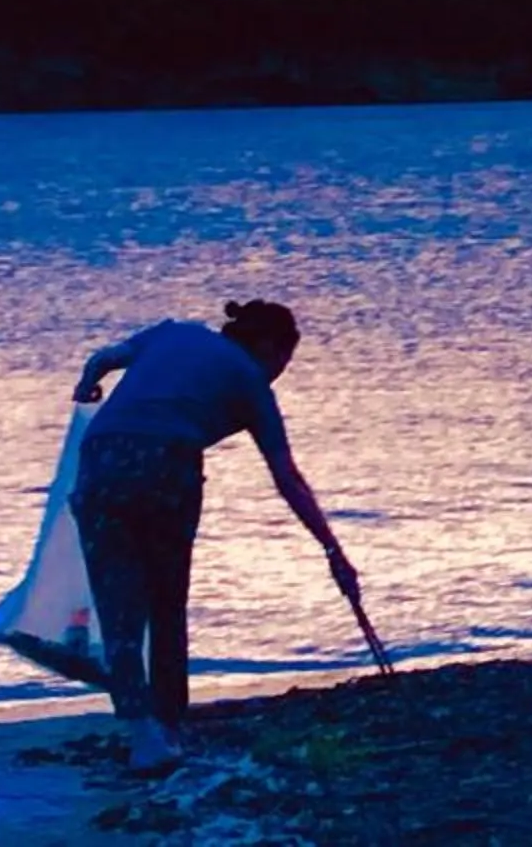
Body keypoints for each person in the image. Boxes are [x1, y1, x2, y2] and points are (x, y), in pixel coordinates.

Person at [69, 299, 361, 774]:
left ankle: (142, 737)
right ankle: (168, 728)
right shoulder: (249, 378)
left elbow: (102, 360)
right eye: (283, 363)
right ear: (269, 347)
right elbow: (286, 475)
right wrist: (332, 548)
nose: (278, 375)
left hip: (99, 459)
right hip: (165, 464)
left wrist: (88, 388)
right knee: (165, 603)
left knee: (119, 607)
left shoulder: (171, 332)